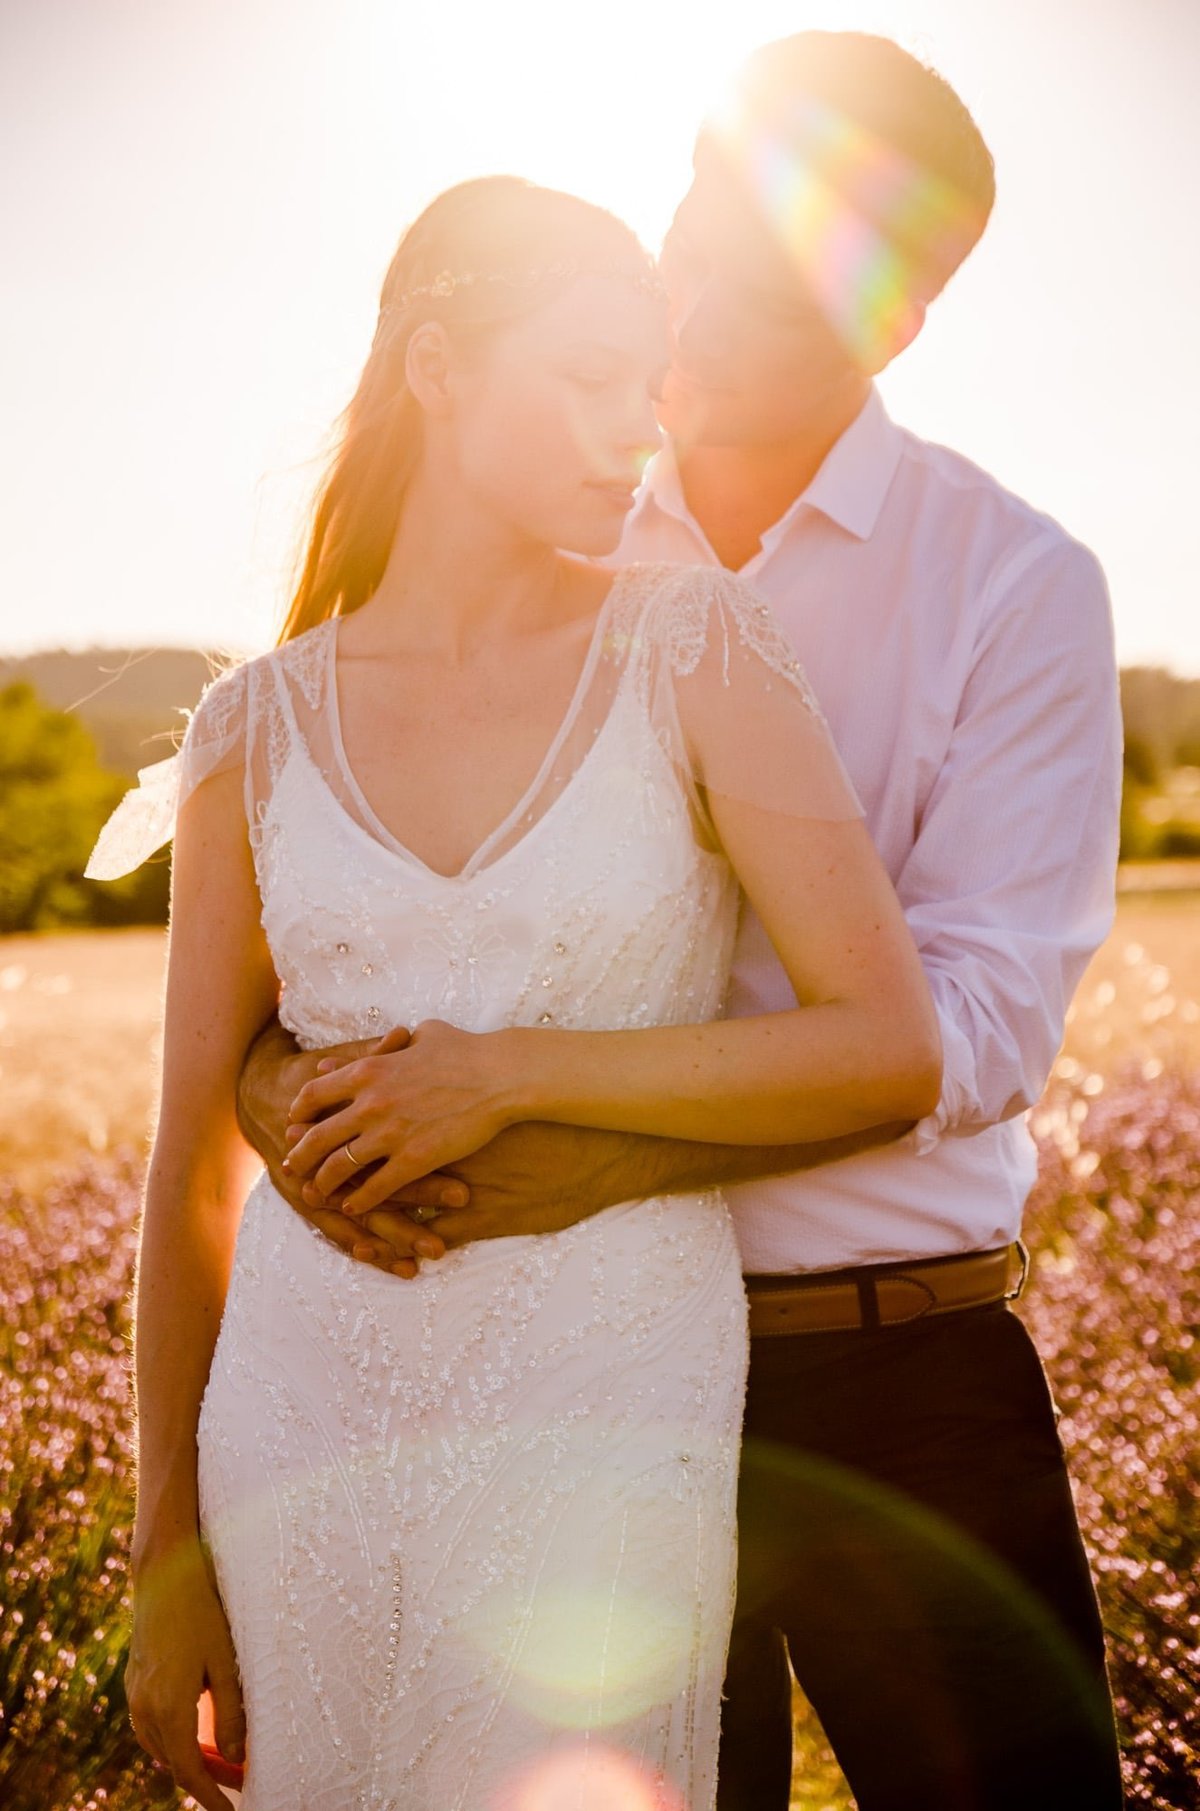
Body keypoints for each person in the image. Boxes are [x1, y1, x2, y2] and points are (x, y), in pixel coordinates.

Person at [240, 33, 1127, 1811]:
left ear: (899, 319)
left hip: (900, 1377)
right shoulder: (506, 523)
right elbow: (313, 921)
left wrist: (587, 1146)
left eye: (772, 279)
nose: (696, 310)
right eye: (695, 235)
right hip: (570, 1382)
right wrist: (287, 1105)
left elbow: (969, 1035)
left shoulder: (1014, 583)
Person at [86, 173, 941, 1810]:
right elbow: (190, 1162)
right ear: (435, 367)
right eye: (591, 376)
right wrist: (165, 1551)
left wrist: (512, 1070)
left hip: (608, 1402)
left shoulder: (700, 651)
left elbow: (886, 1048)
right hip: (303, 1422)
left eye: (655, 382)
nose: (642, 427)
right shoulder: (250, 732)